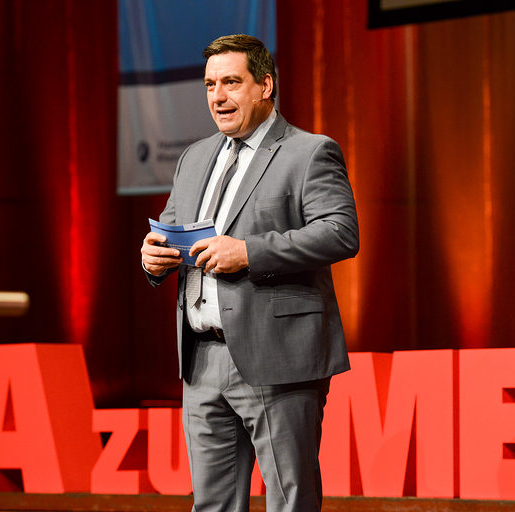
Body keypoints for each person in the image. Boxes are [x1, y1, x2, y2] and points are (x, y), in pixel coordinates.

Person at [140, 34, 359, 512]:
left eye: (231, 83)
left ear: (265, 85)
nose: (218, 96)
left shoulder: (309, 152)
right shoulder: (194, 157)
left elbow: (341, 232)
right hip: (201, 360)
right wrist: (153, 257)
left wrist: (250, 252)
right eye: (210, 85)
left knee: (288, 501)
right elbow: (173, 229)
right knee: (212, 505)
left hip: (276, 355)